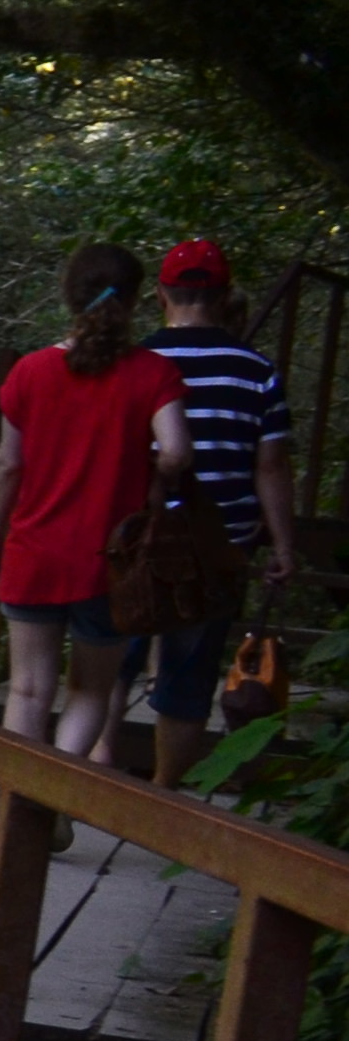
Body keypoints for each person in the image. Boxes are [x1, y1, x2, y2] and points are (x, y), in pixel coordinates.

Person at [0, 240, 191, 762]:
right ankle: (55, 797)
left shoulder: (28, 372)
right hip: (108, 562)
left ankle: (22, 801)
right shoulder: (154, 373)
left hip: (34, 553)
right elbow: (179, 453)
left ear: (70, 296)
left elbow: (8, 465)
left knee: (28, 690)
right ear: (140, 299)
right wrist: (153, 474)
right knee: (91, 689)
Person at [141, 235, 298, 785]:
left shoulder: (138, 360)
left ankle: (93, 770)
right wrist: (283, 544)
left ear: (162, 295)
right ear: (225, 295)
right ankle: (161, 795)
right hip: (221, 542)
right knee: (189, 672)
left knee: (112, 660)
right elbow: (271, 468)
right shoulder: (257, 371)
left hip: (137, 538)